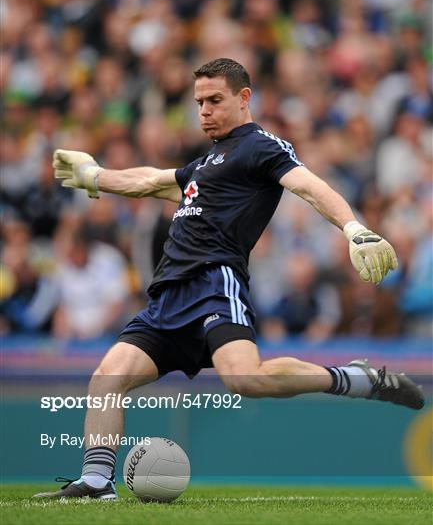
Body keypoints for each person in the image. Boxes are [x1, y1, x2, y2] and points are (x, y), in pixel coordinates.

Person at [35, 58, 424, 500]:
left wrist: (354, 228)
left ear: (244, 98)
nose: (204, 110)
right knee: (107, 377)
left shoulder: (261, 147)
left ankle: (355, 379)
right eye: (199, 102)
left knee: (245, 380)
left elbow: (309, 185)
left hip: (214, 284)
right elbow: (150, 181)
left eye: (215, 100)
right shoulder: (206, 162)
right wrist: (94, 176)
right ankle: (97, 482)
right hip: (168, 295)